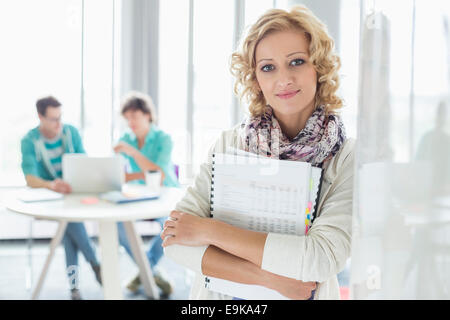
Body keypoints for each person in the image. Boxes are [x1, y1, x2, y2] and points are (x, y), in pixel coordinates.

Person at [161, 6, 354, 300]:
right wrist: (268, 279)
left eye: (297, 62)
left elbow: (320, 257)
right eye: (268, 67)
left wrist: (210, 231)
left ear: (320, 67)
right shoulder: (229, 145)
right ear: (255, 79)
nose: (283, 79)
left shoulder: (346, 157)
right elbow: (175, 240)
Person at [20, 96, 102, 300]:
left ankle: (74, 287)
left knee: (69, 232)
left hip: (74, 194)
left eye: (60, 118)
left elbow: (83, 161)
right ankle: (95, 263)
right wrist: (51, 185)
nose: (59, 124)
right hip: (50, 200)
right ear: (40, 116)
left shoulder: (71, 132)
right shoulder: (29, 141)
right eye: (53, 119)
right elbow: (30, 179)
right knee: (72, 224)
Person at [113, 91, 179, 297]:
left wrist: (133, 154)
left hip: (164, 194)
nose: (130, 121)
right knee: (117, 224)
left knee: (168, 226)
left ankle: (144, 271)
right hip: (137, 196)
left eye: (134, 116)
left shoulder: (163, 139)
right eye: (127, 117)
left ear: (147, 115)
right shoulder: (125, 138)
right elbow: (120, 174)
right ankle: (150, 272)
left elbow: (158, 175)